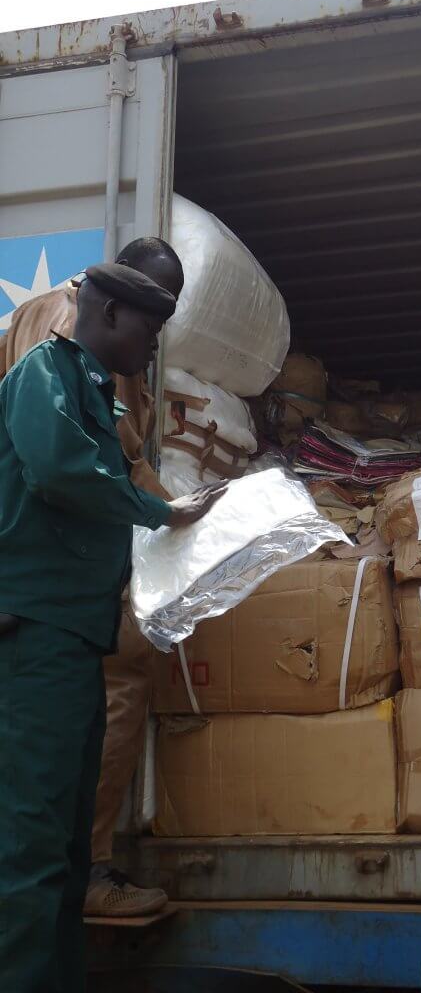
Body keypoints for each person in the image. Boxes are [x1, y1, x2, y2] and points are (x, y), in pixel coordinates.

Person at [0, 260, 226, 993]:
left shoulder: (98, 395)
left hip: (75, 640)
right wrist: (165, 512)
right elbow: (61, 472)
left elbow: (107, 484)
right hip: (34, 638)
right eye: (151, 331)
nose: (155, 348)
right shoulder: (47, 374)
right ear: (109, 317)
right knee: (29, 852)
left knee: (65, 855)